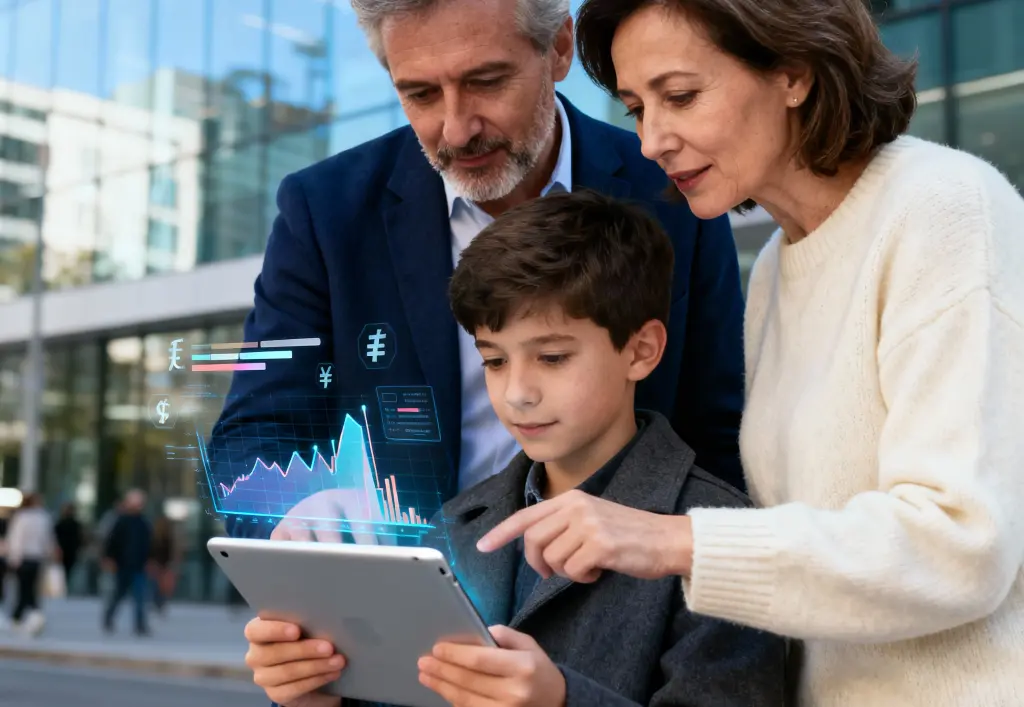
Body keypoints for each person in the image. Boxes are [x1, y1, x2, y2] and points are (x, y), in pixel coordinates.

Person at [472, 0, 1024, 705]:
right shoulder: (774, 266)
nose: (651, 142)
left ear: (793, 73)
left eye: (681, 96)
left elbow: (961, 546)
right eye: (638, 107)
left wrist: (673, 541)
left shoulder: (944, 210)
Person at [208, 0, 748, 544]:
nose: (457, 130)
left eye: (487, 81)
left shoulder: (671, 187)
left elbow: (716, 434)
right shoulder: (324, 211)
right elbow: (253, 435)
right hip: (401, 602)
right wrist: (297, 527)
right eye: (420, 94)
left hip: (620, 601)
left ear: (559, 48)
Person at [243, 190, 787, 707]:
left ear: (641, 351)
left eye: (551, 358)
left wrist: (561, 700)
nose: (517, 393)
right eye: (495, 361)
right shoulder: (453, 525)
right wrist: (319, 695)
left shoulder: (713, 537)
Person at [102, 489, 153, 636]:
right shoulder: (121, 521)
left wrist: (148, 560)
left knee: (139, 598)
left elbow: (147, 545)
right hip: (123, 565)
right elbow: (112, 542)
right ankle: (109, 618)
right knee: (118, 595)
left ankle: (140, 625)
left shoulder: (143, 523)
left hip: (138, 565)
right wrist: (110, 559)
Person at [6, 493, 55, 636]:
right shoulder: (44, 517)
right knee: (30, 588)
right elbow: (48, 540)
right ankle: (31, 614)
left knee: (23, 589)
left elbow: (16, 540)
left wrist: (14, 559)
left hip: (24, 558)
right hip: (36, 559)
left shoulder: (22, 518)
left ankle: (22, 616)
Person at [54, 503, 83, 592]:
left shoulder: (66, 523)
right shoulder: (63, 523)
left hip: (69, 550)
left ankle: (64, 587)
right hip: (67, 550)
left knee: (67, 570)